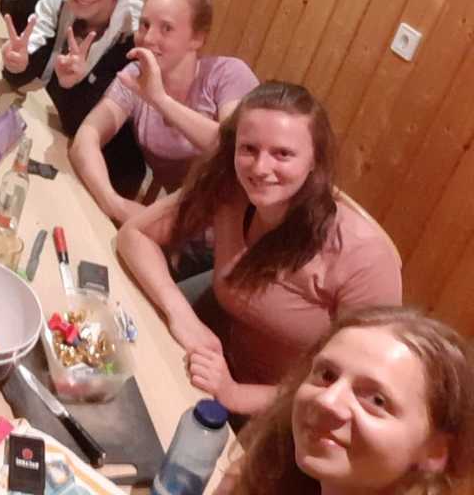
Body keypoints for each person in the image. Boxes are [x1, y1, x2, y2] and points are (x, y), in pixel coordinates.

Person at [117, 82, 402, 416]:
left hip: (286, 414)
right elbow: (135, 235)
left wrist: (235, 394)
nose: (260, 168)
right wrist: (181, 316)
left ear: (315, 161)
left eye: (282, 154)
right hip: (211, 365)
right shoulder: (230, 188)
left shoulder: (364, 258)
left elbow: (357, 389)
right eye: (249, 149)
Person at [221, 306, 474, 495]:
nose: (327, 400)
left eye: (377, 400)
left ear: (436, 450)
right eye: (327, 375)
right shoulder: (275, 466)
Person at [71, 0, 258, 225]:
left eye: (166, 28)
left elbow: (235, 147)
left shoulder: (227, 74)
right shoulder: (135, 75)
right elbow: (86, 137)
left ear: (197, 38)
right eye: (145, 24)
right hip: (180, 221)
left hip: (243, 223)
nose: (149, 38)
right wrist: (113, 202)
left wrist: (160, 100)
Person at [1, 0, 145, 197]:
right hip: (60, 129)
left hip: (112, 160)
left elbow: (94, 125)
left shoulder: (135, 32)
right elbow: (27, 65)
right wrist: (15, 65)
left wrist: (73, 85)